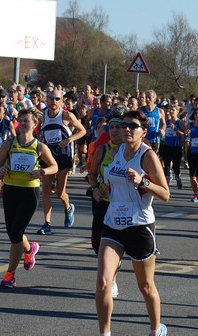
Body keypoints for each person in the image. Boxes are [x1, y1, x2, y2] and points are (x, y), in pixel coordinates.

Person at [95, 110, 170, 336]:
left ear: (143, 132)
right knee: (103, 284)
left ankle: (157, 329)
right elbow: (109, 183)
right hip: (113, 224)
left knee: (145, 287)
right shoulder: (115, 152)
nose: (127, 129)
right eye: (124, 125)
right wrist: (99, 191)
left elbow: (165, 194)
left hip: (139, 226)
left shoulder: (147, 156)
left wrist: (143, 181)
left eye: (133, 126)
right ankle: (104, 333)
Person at [0, 108, 58, 288]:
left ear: (35, 125)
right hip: (10, 190)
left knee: (15, 234)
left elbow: (54, 166)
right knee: (13, 232)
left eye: (26, 121)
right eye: (20, 120)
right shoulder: (9, 143)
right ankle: (29, 249)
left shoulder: (39, 147)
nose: (22, 124)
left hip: (29, 192)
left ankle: (9, 275)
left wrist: (43, 171)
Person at [37, 88, 86, 235]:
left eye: (57, 99)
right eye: (51, 98)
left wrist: (69, 139)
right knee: (45, 189)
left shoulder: (67, 115)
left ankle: (68, 208)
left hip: (63, 156)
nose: (53, 101)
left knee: (60, 192)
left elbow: (82, 130)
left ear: (62, 101)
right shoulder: (42, 115)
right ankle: (47, 223)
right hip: (47, 155)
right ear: (47, 99)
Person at [87, 112, 125, 299]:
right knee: (97, 244)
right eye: (112, 127)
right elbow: (92, 173)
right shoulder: (101, 150)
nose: (115, 131)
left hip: (121, 204)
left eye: (118, 127)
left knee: (113, 244)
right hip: (102, 201)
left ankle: (111, 280)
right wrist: (95, 188)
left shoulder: (131, 150)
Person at [159, 105, 184, 189]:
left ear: (177, 112)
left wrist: (176, 129)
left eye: (173, 110)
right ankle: (166, 188)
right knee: (166, 166)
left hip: (176, 147)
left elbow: (184, 135)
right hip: (167, 146)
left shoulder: (180, 122)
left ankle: (178, 177)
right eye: (170, 110)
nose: (171, 111)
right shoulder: (166, 122)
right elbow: (163, 134)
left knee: (176, 167)